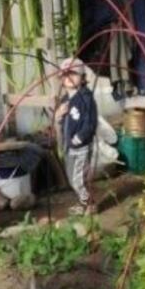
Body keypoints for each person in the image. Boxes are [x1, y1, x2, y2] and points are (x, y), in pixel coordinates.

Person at [57, 57, 98, 215]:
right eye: (65, 75)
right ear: (61, 79)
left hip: (81, 146)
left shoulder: (85, 98)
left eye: (73, 74)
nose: (69, 78)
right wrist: (60, 115)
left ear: (82, 78)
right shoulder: (65, 99)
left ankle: (90, 203)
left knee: (78, 179)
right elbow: (60, 122)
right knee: (72, 178)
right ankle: (82, 203)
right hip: (69, 145)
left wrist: (78, 139)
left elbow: (90, 123)